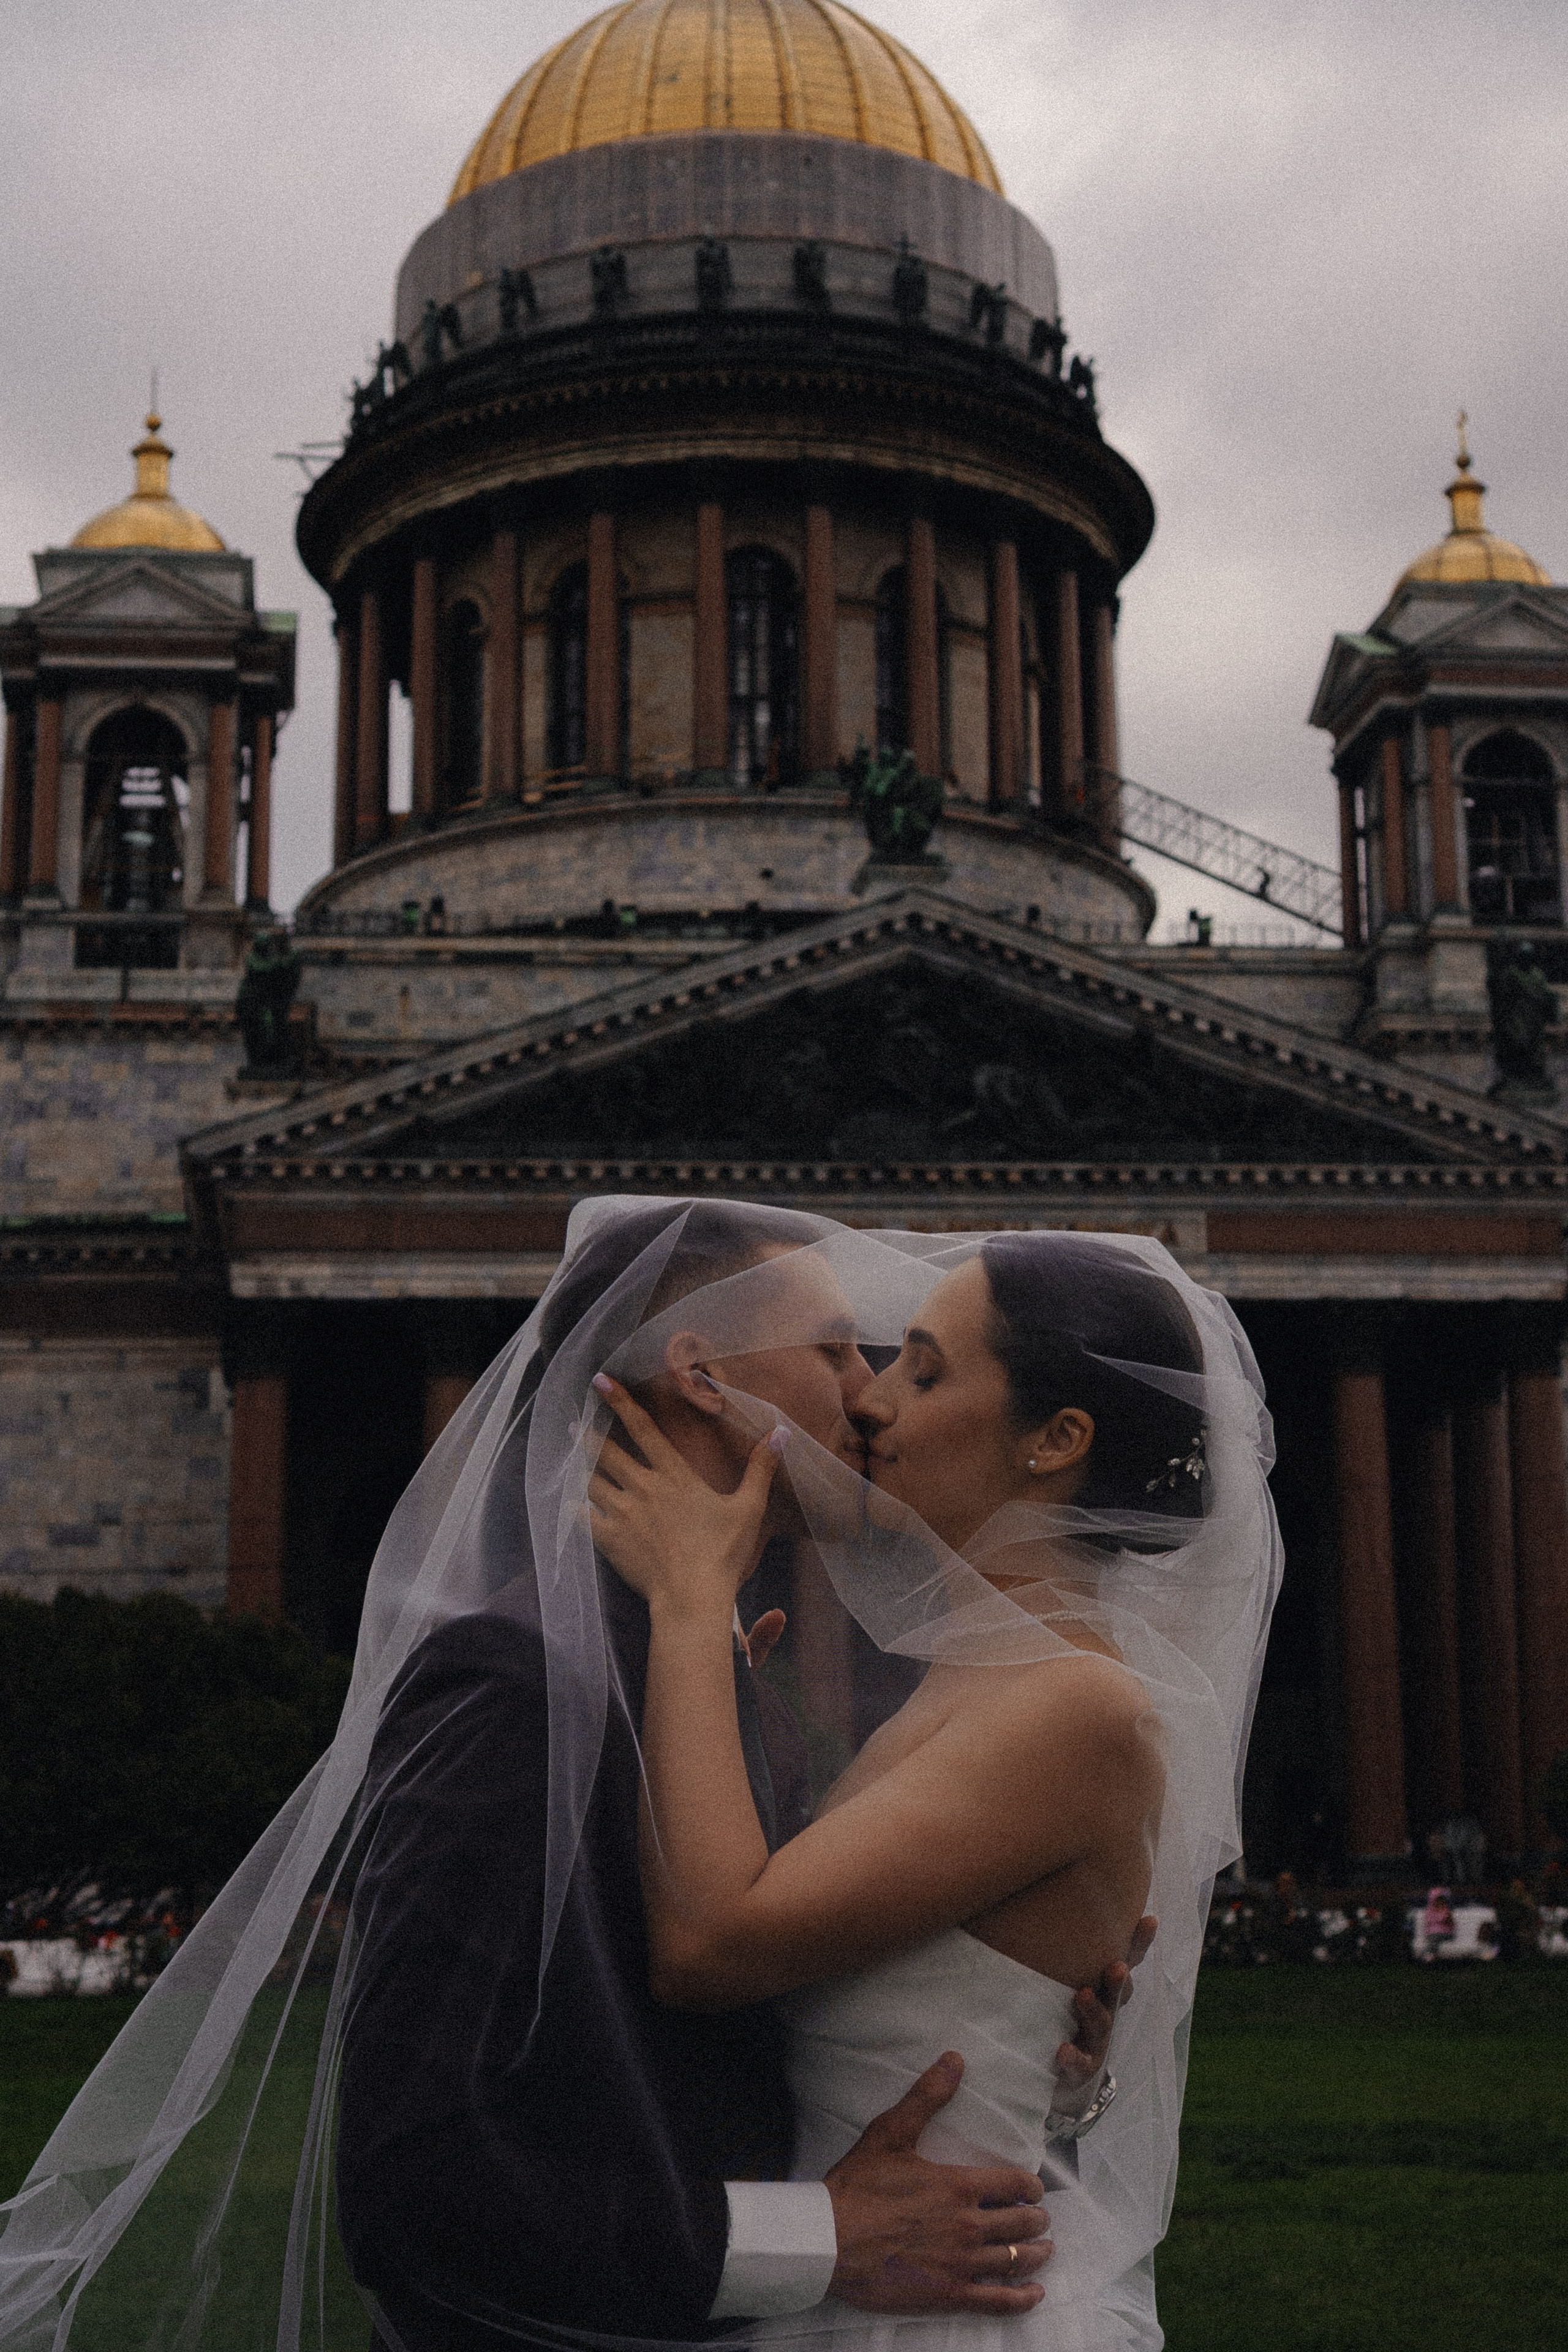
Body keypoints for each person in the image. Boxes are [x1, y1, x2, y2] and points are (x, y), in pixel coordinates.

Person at [336, 1204, 1140, 2346]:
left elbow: (740, 2054)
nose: (864, 1396)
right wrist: (810, 2237)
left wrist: (1025, 2034)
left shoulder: (710, 1680)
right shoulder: (521, 1682)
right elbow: (411, 2182)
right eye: (833, 1350)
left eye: (900, 1363)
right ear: (703, 1374)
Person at [588, 1224, 1279, 2350]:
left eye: (925, 1368)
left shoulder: (1075, 1707)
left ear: (1054, 1441)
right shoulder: (975, 1682)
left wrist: (684, 1596)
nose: (868, 1403)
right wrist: (1062, 2076)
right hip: (855, 2287)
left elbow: (711, 1943)